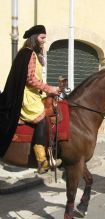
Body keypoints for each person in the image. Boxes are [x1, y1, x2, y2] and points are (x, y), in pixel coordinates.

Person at [0, 25, 61, 174]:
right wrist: (50, 89)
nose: (44, 41)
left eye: (45, 38)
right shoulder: (29, 54)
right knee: (41, 117)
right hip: (26, 96)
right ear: (34, 38)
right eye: (42, 38)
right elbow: (30, 79)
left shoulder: (31, 53)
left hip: (35, 94)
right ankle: (41, 160)